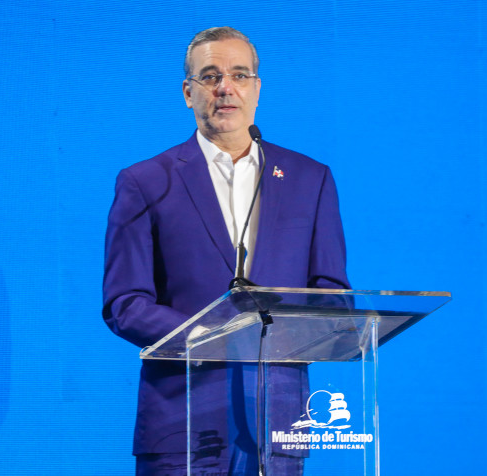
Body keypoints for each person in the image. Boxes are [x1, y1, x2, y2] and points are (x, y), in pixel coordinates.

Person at [103, 27, 350, 475]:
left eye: (239, 75)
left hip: (278, 423)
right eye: (210, 76)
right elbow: (125, 304)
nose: (225, 87)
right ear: (188, 92)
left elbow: (331, 294)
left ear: (257, 88)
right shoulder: (146, 182)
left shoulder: (309, 179)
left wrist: (297, 330)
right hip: (182, 424)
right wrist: (212, 336)